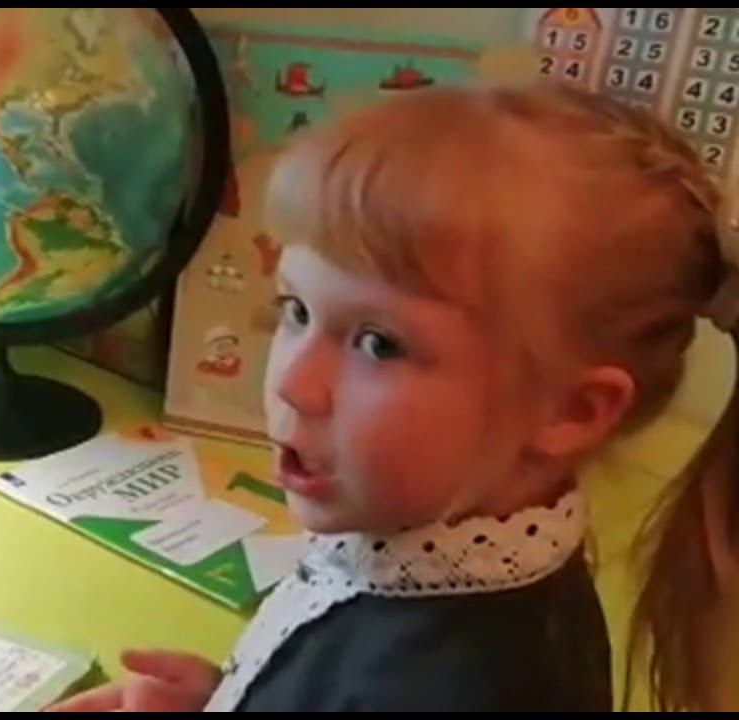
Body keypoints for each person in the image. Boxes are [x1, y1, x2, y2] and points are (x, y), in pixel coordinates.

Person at [48, 82, 739, 711]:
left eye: (379, 344)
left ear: (571, 411)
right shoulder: (421, 556)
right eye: (295, 310)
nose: (292, 383)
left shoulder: (466, 682)